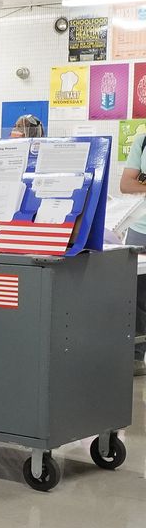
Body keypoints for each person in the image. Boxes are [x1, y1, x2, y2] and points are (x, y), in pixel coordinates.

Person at [119, 130, 146, 377]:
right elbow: (126, 183)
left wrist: (144, 181)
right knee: (138, 297)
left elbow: (136, 182)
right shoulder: (143, 140)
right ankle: (137, 357)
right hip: (140, 229)